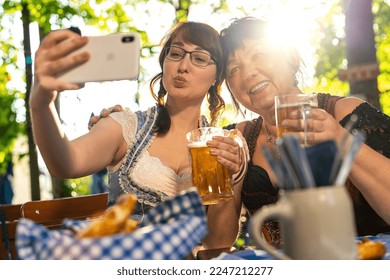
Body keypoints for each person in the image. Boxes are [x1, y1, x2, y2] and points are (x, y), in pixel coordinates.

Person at [29, 21, 248, 252]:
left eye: (200, 58)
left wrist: (232, 179)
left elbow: (217, 244)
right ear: (164, 63)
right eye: (175, 54)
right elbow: (65, 164)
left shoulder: (225, 145)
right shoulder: (126, 126)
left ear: (216, 76)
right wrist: (42, 102)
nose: (183, 66)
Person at [219, 17, 390, 237]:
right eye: (233, 70)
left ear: (291, 58)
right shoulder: (236, 139)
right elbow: (217, 247)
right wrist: (229, 179)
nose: (248, 73)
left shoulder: (347, 113)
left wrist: (342, 141)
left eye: (259, 55)